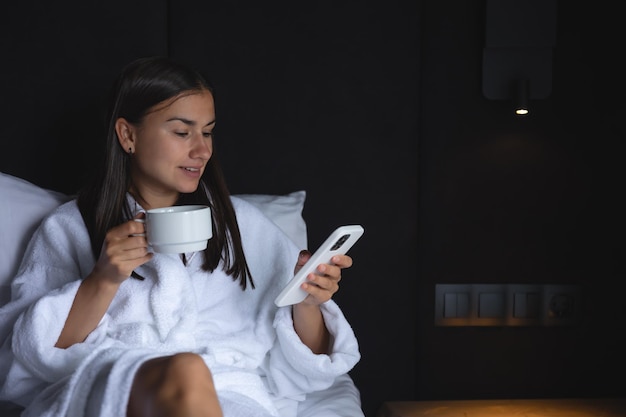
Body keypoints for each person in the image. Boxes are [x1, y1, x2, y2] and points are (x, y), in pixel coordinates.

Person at [0, 56, 362, 417]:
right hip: (116, 388)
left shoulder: (244, 228)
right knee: (186, 369)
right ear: (128, 135)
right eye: (181, 131)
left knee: (194, 376)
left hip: (228, 397)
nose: (202, 150)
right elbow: (32, 356)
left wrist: (308, 303)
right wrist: (103, 279)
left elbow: (304, 367)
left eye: (207, 132)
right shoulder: (71, 227)